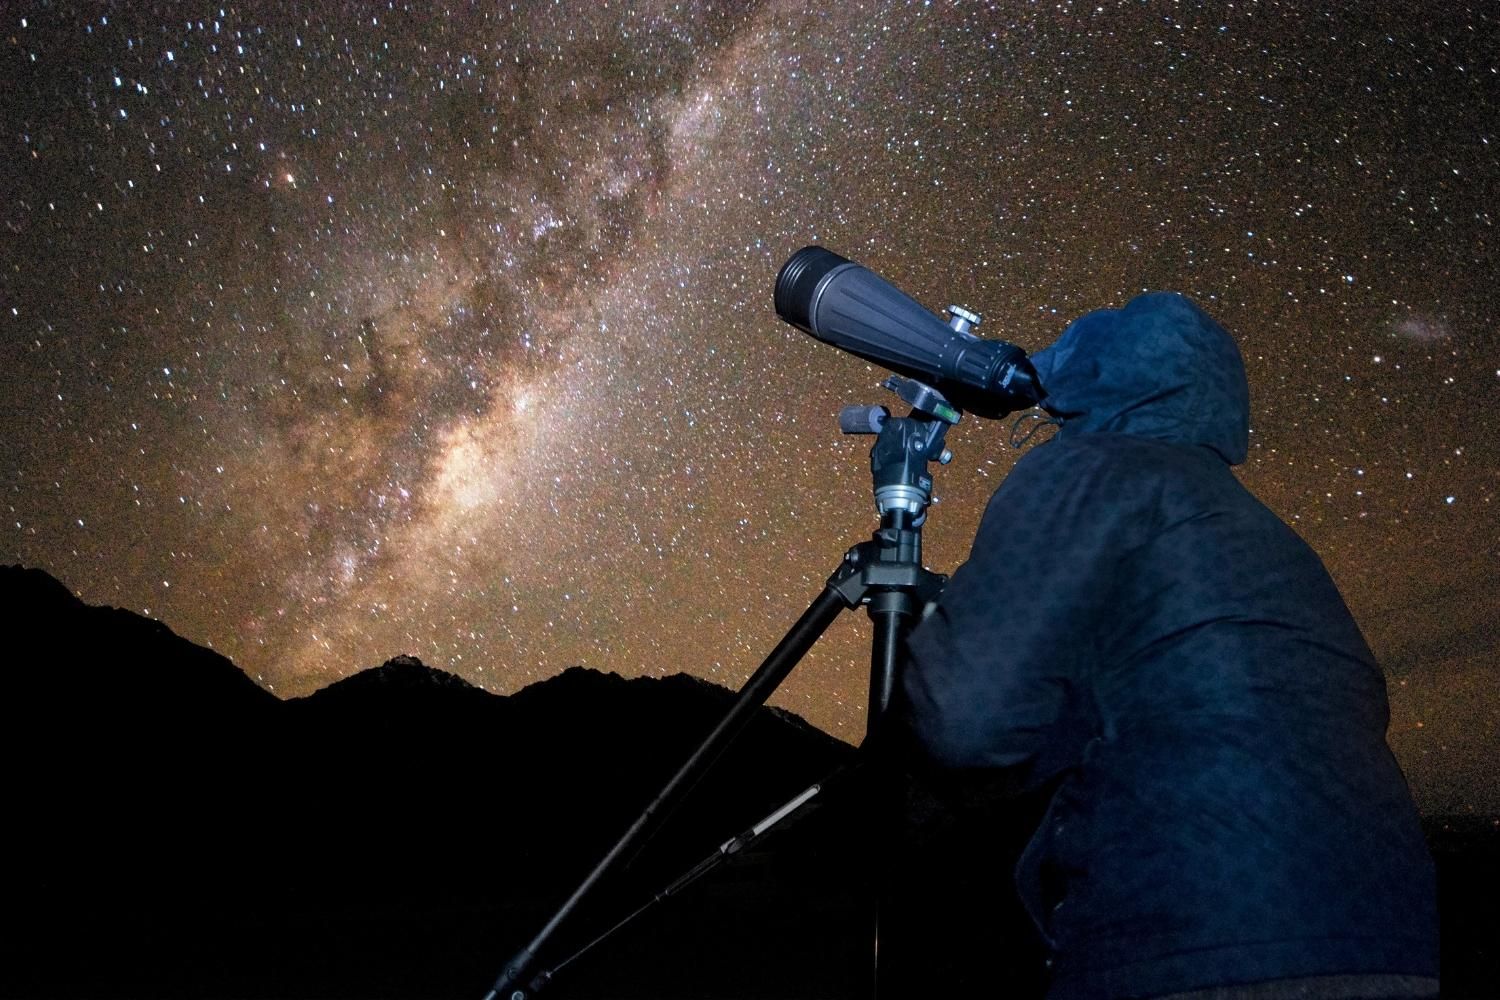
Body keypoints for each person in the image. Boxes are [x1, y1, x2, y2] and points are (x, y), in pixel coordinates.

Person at [897, 292, 1440, 1000]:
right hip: (1389, 938)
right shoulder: (1262, 534)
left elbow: (965, 720)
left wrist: (929, 626)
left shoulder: (1091, 468)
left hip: (1194, 937)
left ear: (1092, 377)